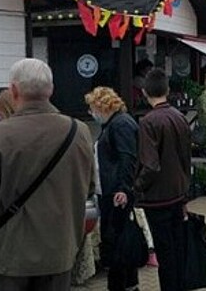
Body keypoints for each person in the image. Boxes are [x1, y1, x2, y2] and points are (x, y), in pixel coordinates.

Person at [0, 59, 94, 291]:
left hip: (10, 258)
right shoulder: (79, 131)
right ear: (50, 89)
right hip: (60, 255)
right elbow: (88, 188)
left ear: (14, 91)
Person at [136, 68, 192, 291]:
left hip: (157, 197)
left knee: (165, 252)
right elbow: (186, 158)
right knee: (178, 251)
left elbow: (150, 164)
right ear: (168, 90)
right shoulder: (179, 117)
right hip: (178, 192)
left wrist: (137, 186)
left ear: (144, 92)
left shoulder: (148, 122)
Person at [84, 87, 140, 291]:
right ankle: (129, 284)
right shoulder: (114, 124)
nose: (91, 113)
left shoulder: (119, 125)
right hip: (111, 191)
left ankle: (119, 285)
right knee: (120, 241)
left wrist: (123, 188)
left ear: (102, 106)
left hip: (115, 193)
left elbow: (127, 158)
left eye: (92, 108)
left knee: (116, 242)